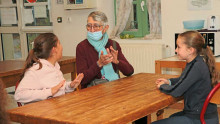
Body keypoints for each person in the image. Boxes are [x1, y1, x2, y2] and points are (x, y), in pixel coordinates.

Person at [152, 31, 219, 124]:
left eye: (178, 47)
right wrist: (169, 82)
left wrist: (162, 86)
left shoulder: (196, 66)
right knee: (172, 117)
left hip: (200, 119)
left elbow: (177, 91)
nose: (176, 50)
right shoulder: (196, 62)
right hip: (202, 115)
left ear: (190, 50)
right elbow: (184, 79)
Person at [14, 33, 84, 104]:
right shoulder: (36, 70)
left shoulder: (55, 66)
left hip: (56, 107)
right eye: (59, 43)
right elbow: (19, 95)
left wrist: (70, 86)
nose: (62, 47)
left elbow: (58, 89)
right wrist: (49, 92)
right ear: (54, 50)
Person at [76, 11, 134, 89]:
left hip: (114, 88)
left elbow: (129, 72)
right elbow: (82, 80)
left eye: (96, 26)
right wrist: (99, 64)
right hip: (92, 91)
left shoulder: (113, 45)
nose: (92, 30)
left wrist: (117, 62)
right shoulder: (82, 47)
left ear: (105, 28)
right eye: (89, 26)